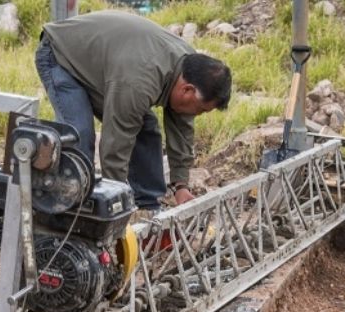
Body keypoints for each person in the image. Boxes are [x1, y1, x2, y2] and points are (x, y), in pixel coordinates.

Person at [36, 10, 232, 212]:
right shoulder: (139, 83)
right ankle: (69, 211)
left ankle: (148, 206)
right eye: (199, 110)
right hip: (59, 54)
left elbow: (182, 133)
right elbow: (115, 148)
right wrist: (114, 204)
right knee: (81, 135)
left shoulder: (191, 69)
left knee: (146, 129)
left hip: (105, 64)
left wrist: (180, 186)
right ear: (187, 90)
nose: (196, 115)